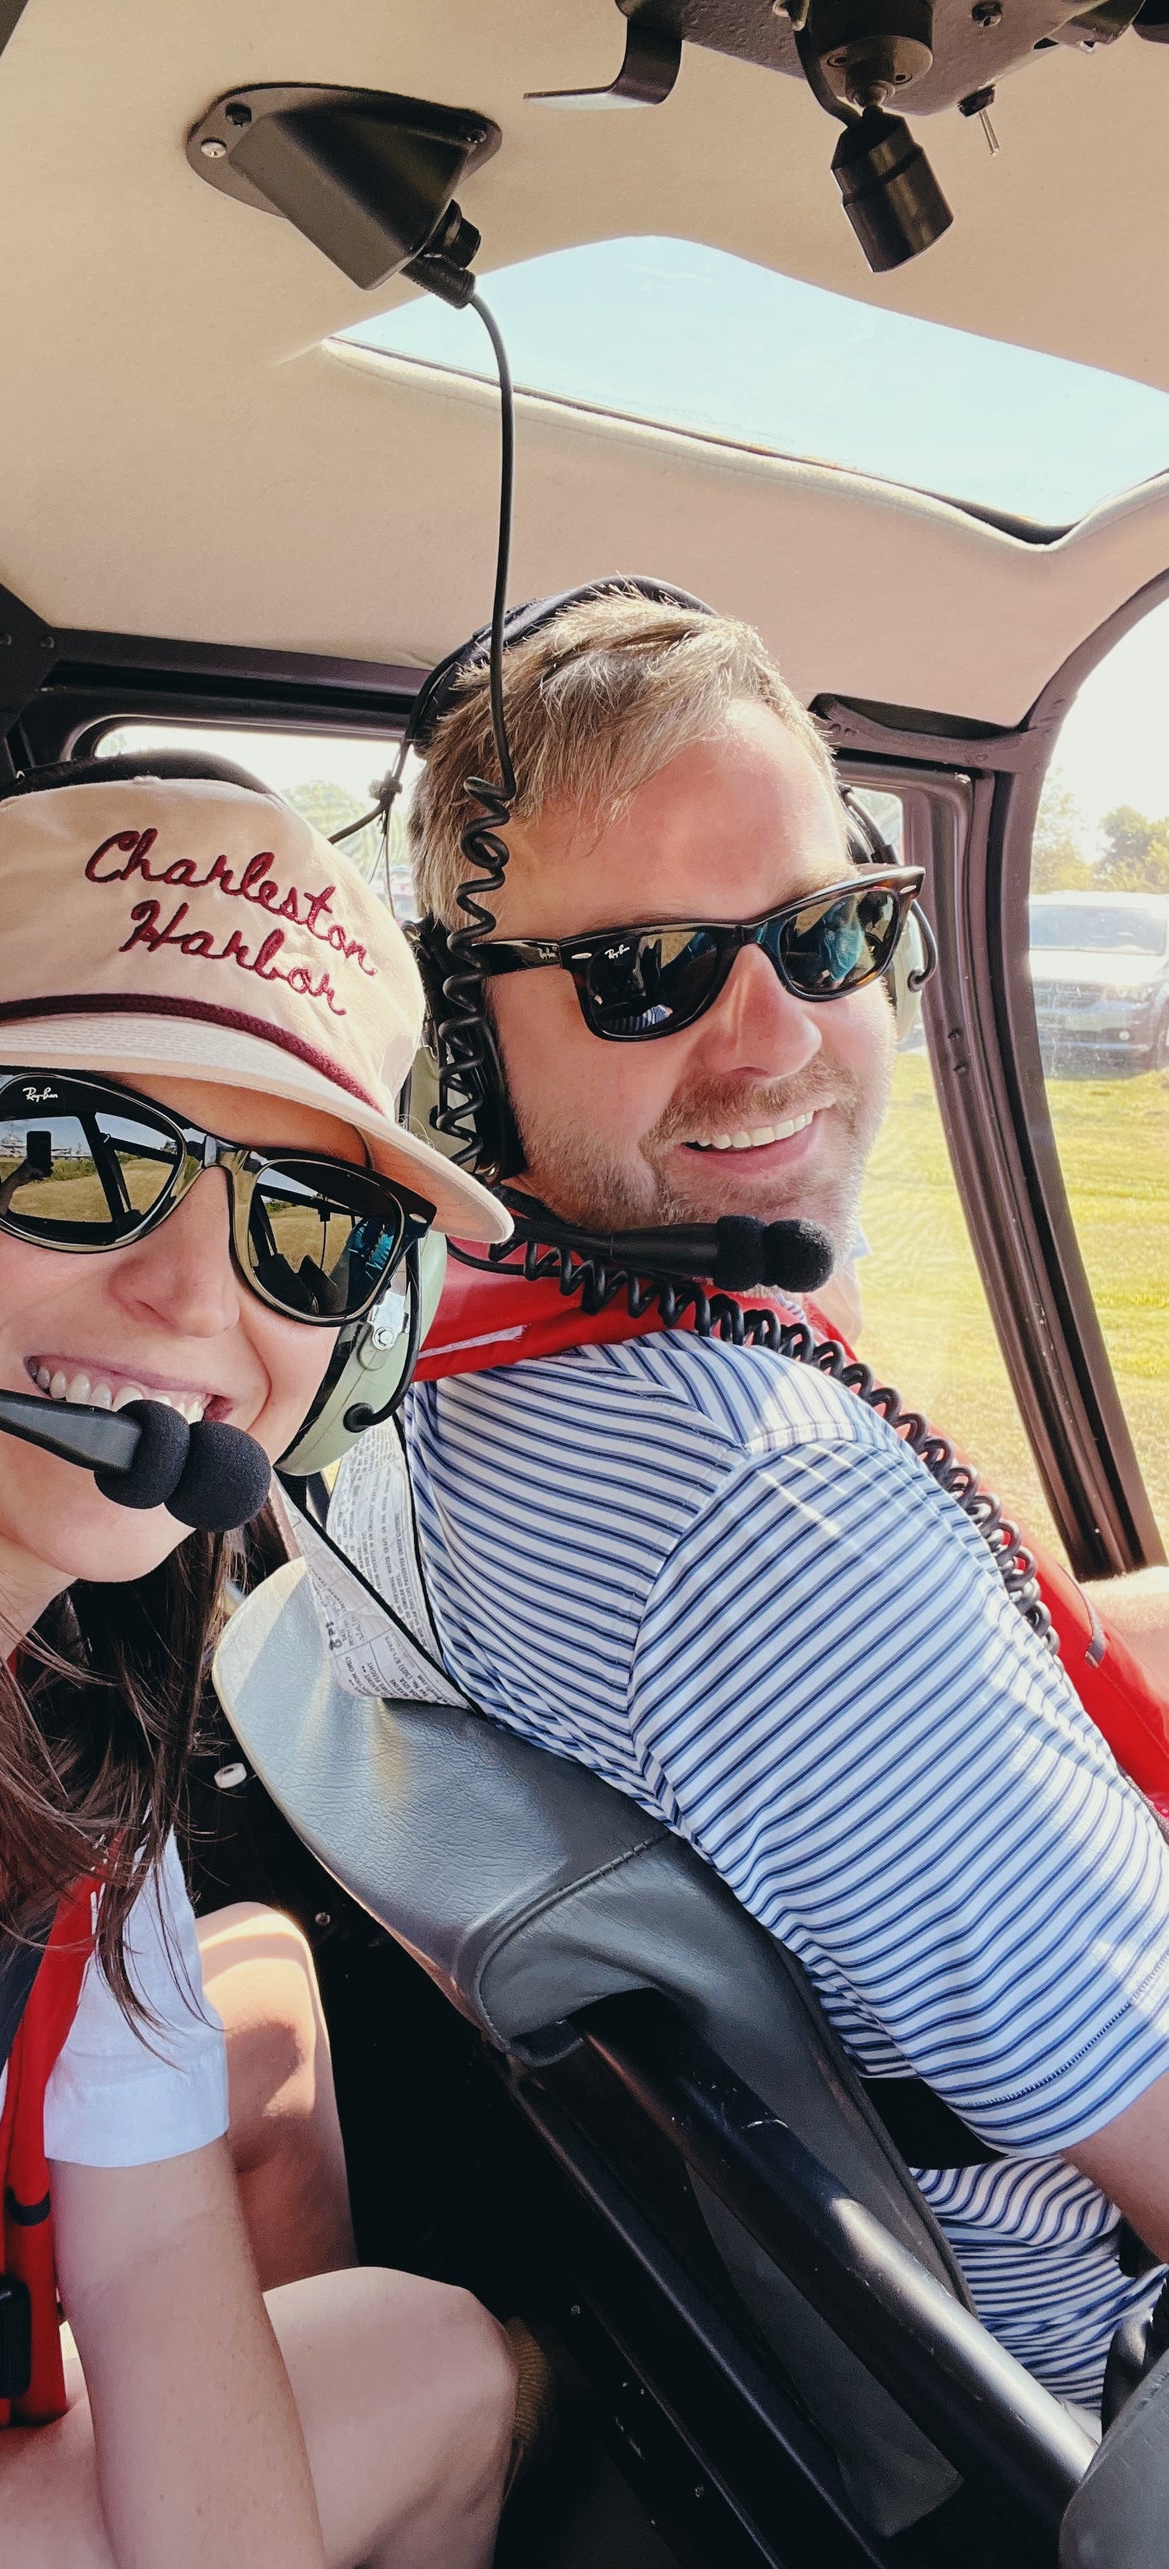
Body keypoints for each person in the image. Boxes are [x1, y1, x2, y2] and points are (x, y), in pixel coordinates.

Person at [384, 588, 1169, 2420]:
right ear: (467, 1031)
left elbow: (959, 1689)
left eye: (820, 934)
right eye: (644, 972)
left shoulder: (440, 1352)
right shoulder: (771, 1527)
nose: (773, 1040)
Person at [0, 769, 518, 2569]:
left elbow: (154, 2252)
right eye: (77, 1154)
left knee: (438, 2349)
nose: (190, 1298)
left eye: (305, 1228)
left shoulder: (67, 1691)